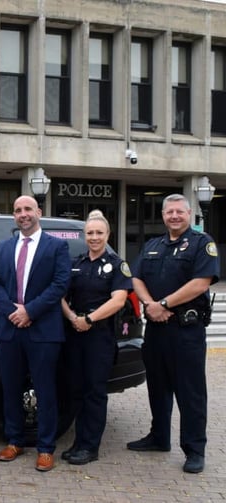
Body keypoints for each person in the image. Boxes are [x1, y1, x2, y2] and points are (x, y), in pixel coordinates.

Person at [128, 193, 220, 474]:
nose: (174, 216)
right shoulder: (153, 245)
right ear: (163, 215)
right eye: (170, 212)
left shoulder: (202, 243)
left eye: (180, 211)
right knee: (158, 387)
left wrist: (164, 304)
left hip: (186, 331)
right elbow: (136, 278)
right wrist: (150, 305)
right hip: (156, 329)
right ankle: (159, 437)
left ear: (189, 214)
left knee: (190, 392)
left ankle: (194, 450)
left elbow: (201, 282)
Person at [0, 195, 71, 472]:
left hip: (43, 330)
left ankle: (46, 448)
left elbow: (60, 284)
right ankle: (14, 441)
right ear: (14, 216)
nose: (23, 214)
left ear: (39, 212)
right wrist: (13, 311)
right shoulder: (4, 248)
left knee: (46, 390)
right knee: (10, 388)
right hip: (9, 329)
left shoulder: (56, 246)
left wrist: (30, 311)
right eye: (17, 210)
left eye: (27, 209)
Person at [60, 210, 132, 465]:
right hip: (75, 333)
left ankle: (90, 447)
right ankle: (79, 443)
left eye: (99, 233)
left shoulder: (117, 265)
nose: (94, 237)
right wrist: (72, 317)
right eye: (90, 233)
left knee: (94, 392)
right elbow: (61, 295)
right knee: (76, 390)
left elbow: (119, 300)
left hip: (99, 337)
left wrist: (89, 320)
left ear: (108, 235)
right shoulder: (76, 263)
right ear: (84, 235)